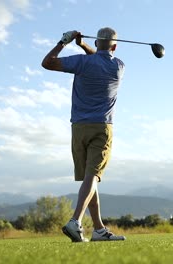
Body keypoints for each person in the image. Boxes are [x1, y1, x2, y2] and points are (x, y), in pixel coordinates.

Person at [41, 27, 126, 242]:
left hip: (78, 128)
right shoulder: (118, 66)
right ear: (114, 47)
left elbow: (48, 62)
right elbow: (100, 59)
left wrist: (65, 41)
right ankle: (75, 221)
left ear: (96, 43)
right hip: (101, 127)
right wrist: (85, 46)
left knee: (90, 179)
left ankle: (98, 229)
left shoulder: (81, 63)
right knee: (93, 177)